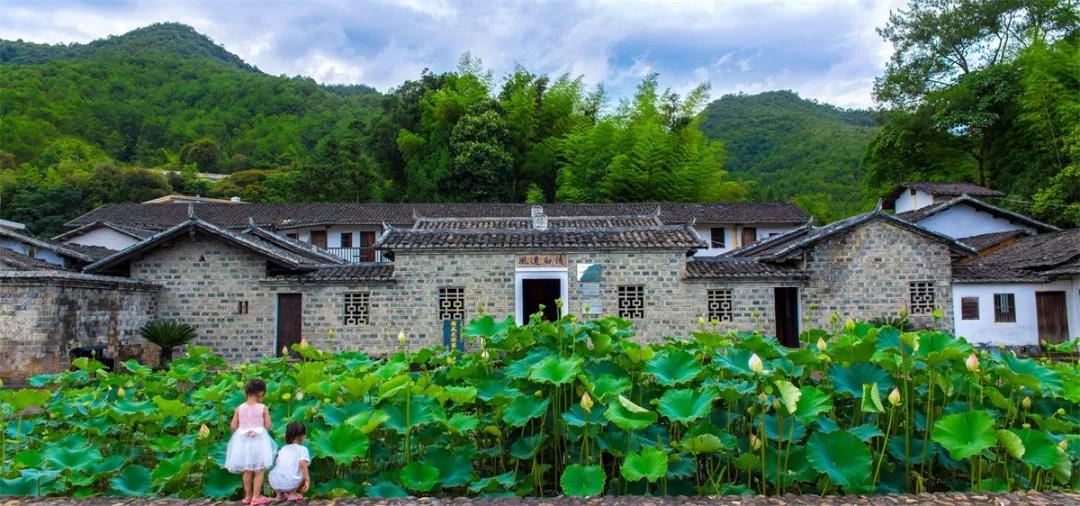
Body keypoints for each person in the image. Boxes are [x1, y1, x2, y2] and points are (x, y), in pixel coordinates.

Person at [224, 379, 276, 505]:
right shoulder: (263, 408)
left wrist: (244, 429)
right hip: (259, 442)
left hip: (243, 442)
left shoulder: (239, 408)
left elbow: (233, 427)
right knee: (259, 470)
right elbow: (268, 426)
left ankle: (247, 496)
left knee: (247, 470)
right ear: (260, 392)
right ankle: (256, 497)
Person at [268, 422, 312, 501]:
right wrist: (307, 480)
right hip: (291, 482)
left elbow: (278, 463)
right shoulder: (302, 449)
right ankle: (292, 493)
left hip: (274, 481)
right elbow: (302, 464)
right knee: (303, 468)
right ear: (302, 436)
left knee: (280, 470)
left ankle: (280, 494)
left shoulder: (283, 449)